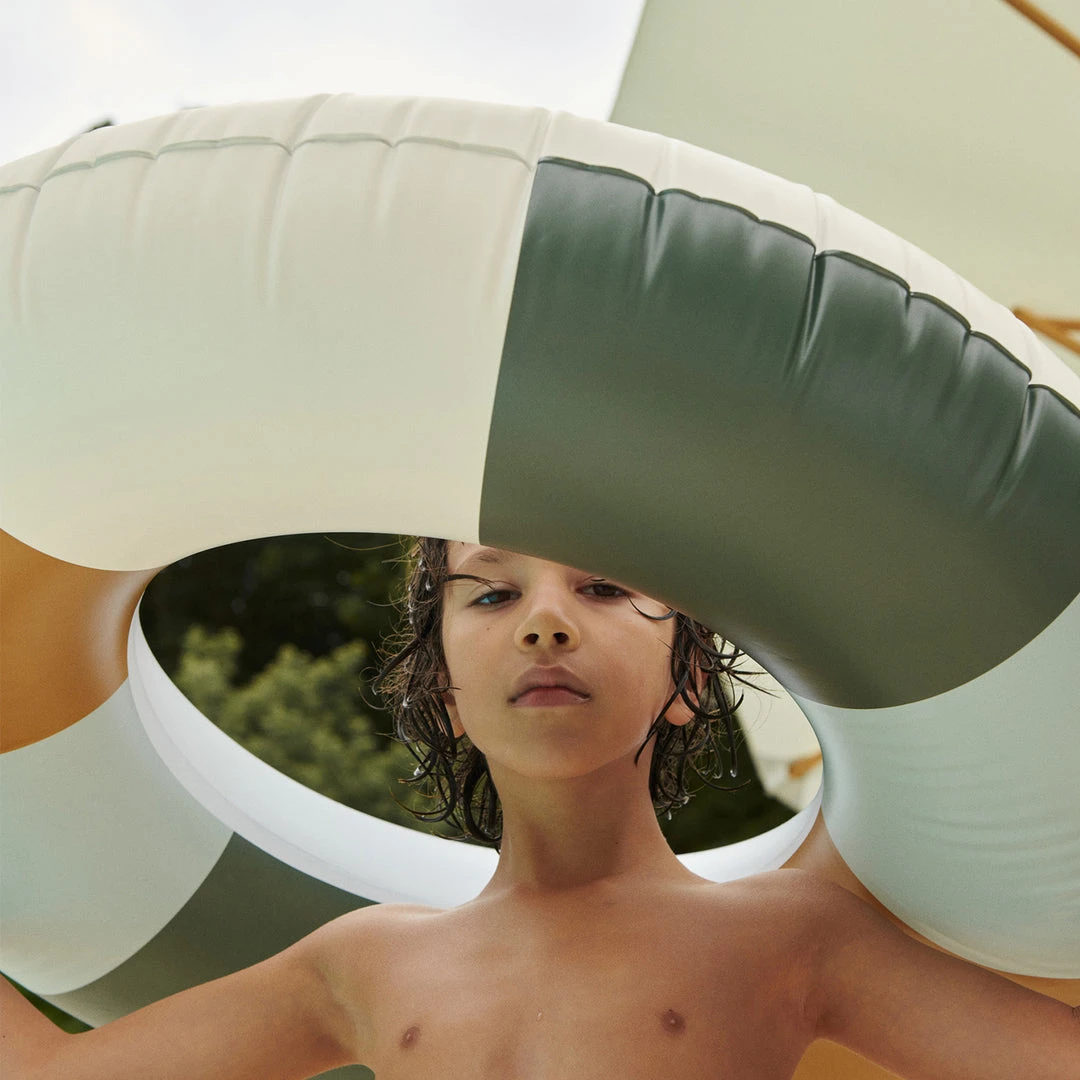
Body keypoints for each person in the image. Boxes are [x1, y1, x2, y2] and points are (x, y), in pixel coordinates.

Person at [2, 539, 1078, 1079]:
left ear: (689, 680)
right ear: (445, 695)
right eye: (492, 593)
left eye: (602, 589)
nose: (546, 623)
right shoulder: (363, 962)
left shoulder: (788, 937)